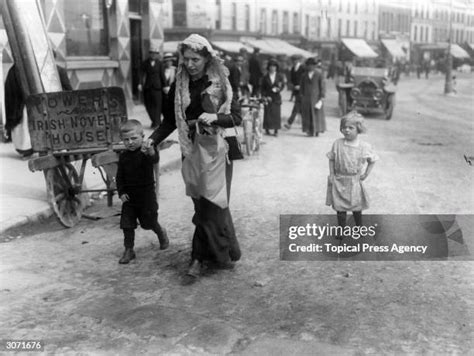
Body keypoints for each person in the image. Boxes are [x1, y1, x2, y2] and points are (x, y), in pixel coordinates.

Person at [144, 34, 242, 283]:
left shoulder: (220, 82)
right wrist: (152, 139)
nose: (189, 64)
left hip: (218, 150)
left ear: (207, 57)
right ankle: (228, 250)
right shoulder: (180, 86)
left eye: (195, 59)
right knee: (202, 203)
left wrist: (216, 118)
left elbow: (236, 117)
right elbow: (169, 120)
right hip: (191, 148)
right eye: (185, 59)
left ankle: (197, 259)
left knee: (213, 203)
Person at [116, 119, 169, 264]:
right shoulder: (123, 157)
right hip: (130, 198)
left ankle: (160, 232)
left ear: (142, 137)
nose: (130, 142)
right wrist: (121, 192)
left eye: (134, 138)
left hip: (146, 197)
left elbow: (154, 159)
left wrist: (151, 151)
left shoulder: (146, 152)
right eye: (126, 140)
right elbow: (119, 177)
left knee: (149, 222)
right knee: (127, 224)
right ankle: (129, 250)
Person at [4, 54, 72, 158]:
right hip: (30, 105)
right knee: (27, 123)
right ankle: (28, 148)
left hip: (51, 104)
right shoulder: (18, 71)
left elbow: (67, 90)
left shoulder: (57, 70)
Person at [326, 111, 378, 229]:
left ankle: (359, 228)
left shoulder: (364, 146)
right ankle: (341, 229)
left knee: (356, 207)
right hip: (339, 180)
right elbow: (332, 159)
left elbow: (373, 160)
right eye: (344, 127)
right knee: (340, 208)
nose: (347, 130)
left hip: (354, 181)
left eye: (351, 127)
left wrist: (366, 174)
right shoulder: (337, 143)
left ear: (358, 129)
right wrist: (332, 174)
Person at [139, 45, 166, 128]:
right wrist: (140, 84)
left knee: (157, 105)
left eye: (155, 53)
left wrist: (165, 85)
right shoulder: (145, 63)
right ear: (149, 54)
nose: (154, 55)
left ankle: (157, 123)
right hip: (147, 87)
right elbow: (141, 74)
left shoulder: (160, 63)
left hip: (158, 88)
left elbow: (162, 75)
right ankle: (154, 120)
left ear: (157, 54)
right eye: (152, 53)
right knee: (148, 105)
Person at [300, 57, 326, 137]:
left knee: (317, 115)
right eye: (309, 65)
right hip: (306, 98)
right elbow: (302, 87)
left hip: (316, 98)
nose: (311, 67)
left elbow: (322, 86)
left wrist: (322, 97)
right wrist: (302, 96)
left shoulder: (319, 74)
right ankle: (309, 131)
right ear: (307, 66)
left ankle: (317, 130)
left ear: (315, 66)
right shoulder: (304, 75)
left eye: (312, 65)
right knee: (307, 115)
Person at [261, 59, 285, 137]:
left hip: (276, 97)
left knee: (276, 114)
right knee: (268, 113)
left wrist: (279, 89)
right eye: (271, 67)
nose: (272, 68)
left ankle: (276, 130)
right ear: (268, 67)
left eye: (274, 67)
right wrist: (265, 96)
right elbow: (262, 88)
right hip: (268, 97)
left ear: (276, 68)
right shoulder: (265, 77)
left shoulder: (279, 76)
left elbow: (282, 85)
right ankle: (267, 129)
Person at [284, 54, 305, 130]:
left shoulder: (303, 68)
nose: (294, 62)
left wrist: (300, 86)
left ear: (299, 60)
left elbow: (305, 79)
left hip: (302, 91)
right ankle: (305, 124)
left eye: (296, 60)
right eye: (293, 60)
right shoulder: (293, 69)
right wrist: (292, 86)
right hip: (296, 91)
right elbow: (292, 79)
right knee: (301, 109)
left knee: (296, 107)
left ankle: (289, 123)